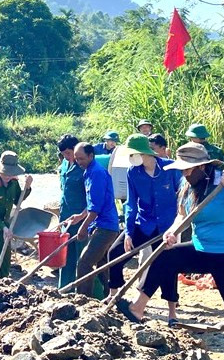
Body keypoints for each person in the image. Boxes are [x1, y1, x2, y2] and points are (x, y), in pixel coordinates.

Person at [118, 143, 224, 360]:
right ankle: (137, 308)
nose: (185, 174)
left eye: (188, 170)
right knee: (166, 256)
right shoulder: (188, 185)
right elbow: (182, 214)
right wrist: (173, 232)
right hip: (201, 248)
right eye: (183, 170)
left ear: (203, 167)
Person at [108, 134, 182, 324]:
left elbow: (183, 197)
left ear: (144, 153)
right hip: (144, 223)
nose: (132, 158)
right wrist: (129, 232)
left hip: (166, 227)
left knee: (167, 266)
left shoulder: (170, 168)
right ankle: (114, 295)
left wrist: (177, 226)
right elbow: (131, 203)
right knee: (115, 253)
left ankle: (172, 312)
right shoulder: (133, 172)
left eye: (134, 154)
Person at [68, 142, 121, 297]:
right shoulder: (88, 172)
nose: (79, 162)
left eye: (82, 159)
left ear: (91, 156)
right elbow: (93, 203)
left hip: (105, 227)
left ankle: (83, 299)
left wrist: (83, 228)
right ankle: (110, 297)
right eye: (77, 159)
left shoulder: (96, 173)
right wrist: (81, 216)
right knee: (102, 265)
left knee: (84, 264)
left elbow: (96, 209)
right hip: (104, 225)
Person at [56, 134, 88, 288]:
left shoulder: (84, 168)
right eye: (63, 155)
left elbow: (92, 198)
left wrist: (83, 215)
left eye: (68, 153)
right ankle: (64, 289)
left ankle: (87, 294)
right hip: (66, 217)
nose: (67, 157)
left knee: (83, 258)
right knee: (65, 256)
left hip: (81, 219)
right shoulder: (63, 166)